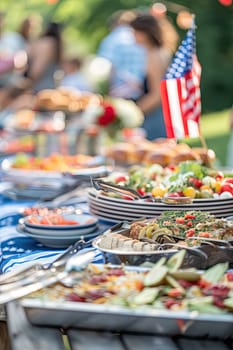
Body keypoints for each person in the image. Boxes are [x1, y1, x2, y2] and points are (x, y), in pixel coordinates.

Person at [130, 13, 175, 140]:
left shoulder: (153, 56)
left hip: (156, 116)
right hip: (165, 114)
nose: (133, 36)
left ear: (146, 33)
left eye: (135, 32)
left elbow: (157, 94)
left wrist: (133, 113)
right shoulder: (162, 51)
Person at [97, 10, 146, 101]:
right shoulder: (142, 36)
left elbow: (105, 67)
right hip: (144, 89)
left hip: (120, 90)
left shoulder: (112, 39)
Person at [24, 21, 62, 93]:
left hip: (38, 88)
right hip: (50, 87)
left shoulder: (47, 44)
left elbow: (36, 71)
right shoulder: (58, 45)